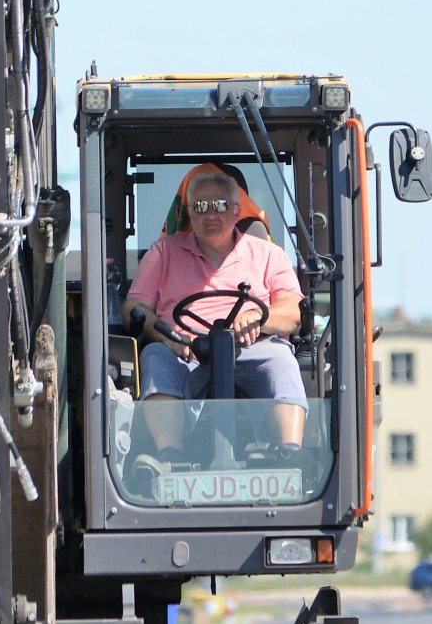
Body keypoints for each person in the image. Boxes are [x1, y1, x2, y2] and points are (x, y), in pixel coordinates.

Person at [122, 164, 307, 467]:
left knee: (281, 360)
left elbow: (293, 310)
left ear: (237, 211)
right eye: (201, 206)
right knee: (155, 357)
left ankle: (291, 456)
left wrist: (257, 318)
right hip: (184, 351)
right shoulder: (162, 253)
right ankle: (169, 457)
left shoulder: (269, 255)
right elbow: (134, 308)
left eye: (221, 205)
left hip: (252, 347)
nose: (211, 214)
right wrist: (167, 336)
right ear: (189, 214)